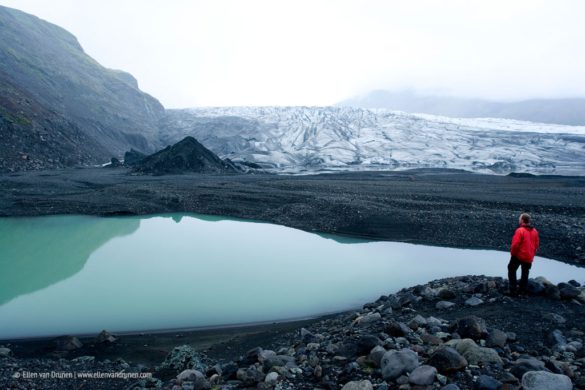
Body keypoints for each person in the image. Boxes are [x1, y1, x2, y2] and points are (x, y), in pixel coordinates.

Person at [508, 213, 539, 296]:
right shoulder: (535, 231)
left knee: (511, 268)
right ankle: (522, 290)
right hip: (529, 256)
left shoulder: (520, 230)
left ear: (522, 220)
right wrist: (532, 254)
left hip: (519, 255)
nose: (518, 220)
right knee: (525, 272)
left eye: (519, 219)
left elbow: (515, 245)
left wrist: (513, 254)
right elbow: (536, 245)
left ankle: (513, 289)